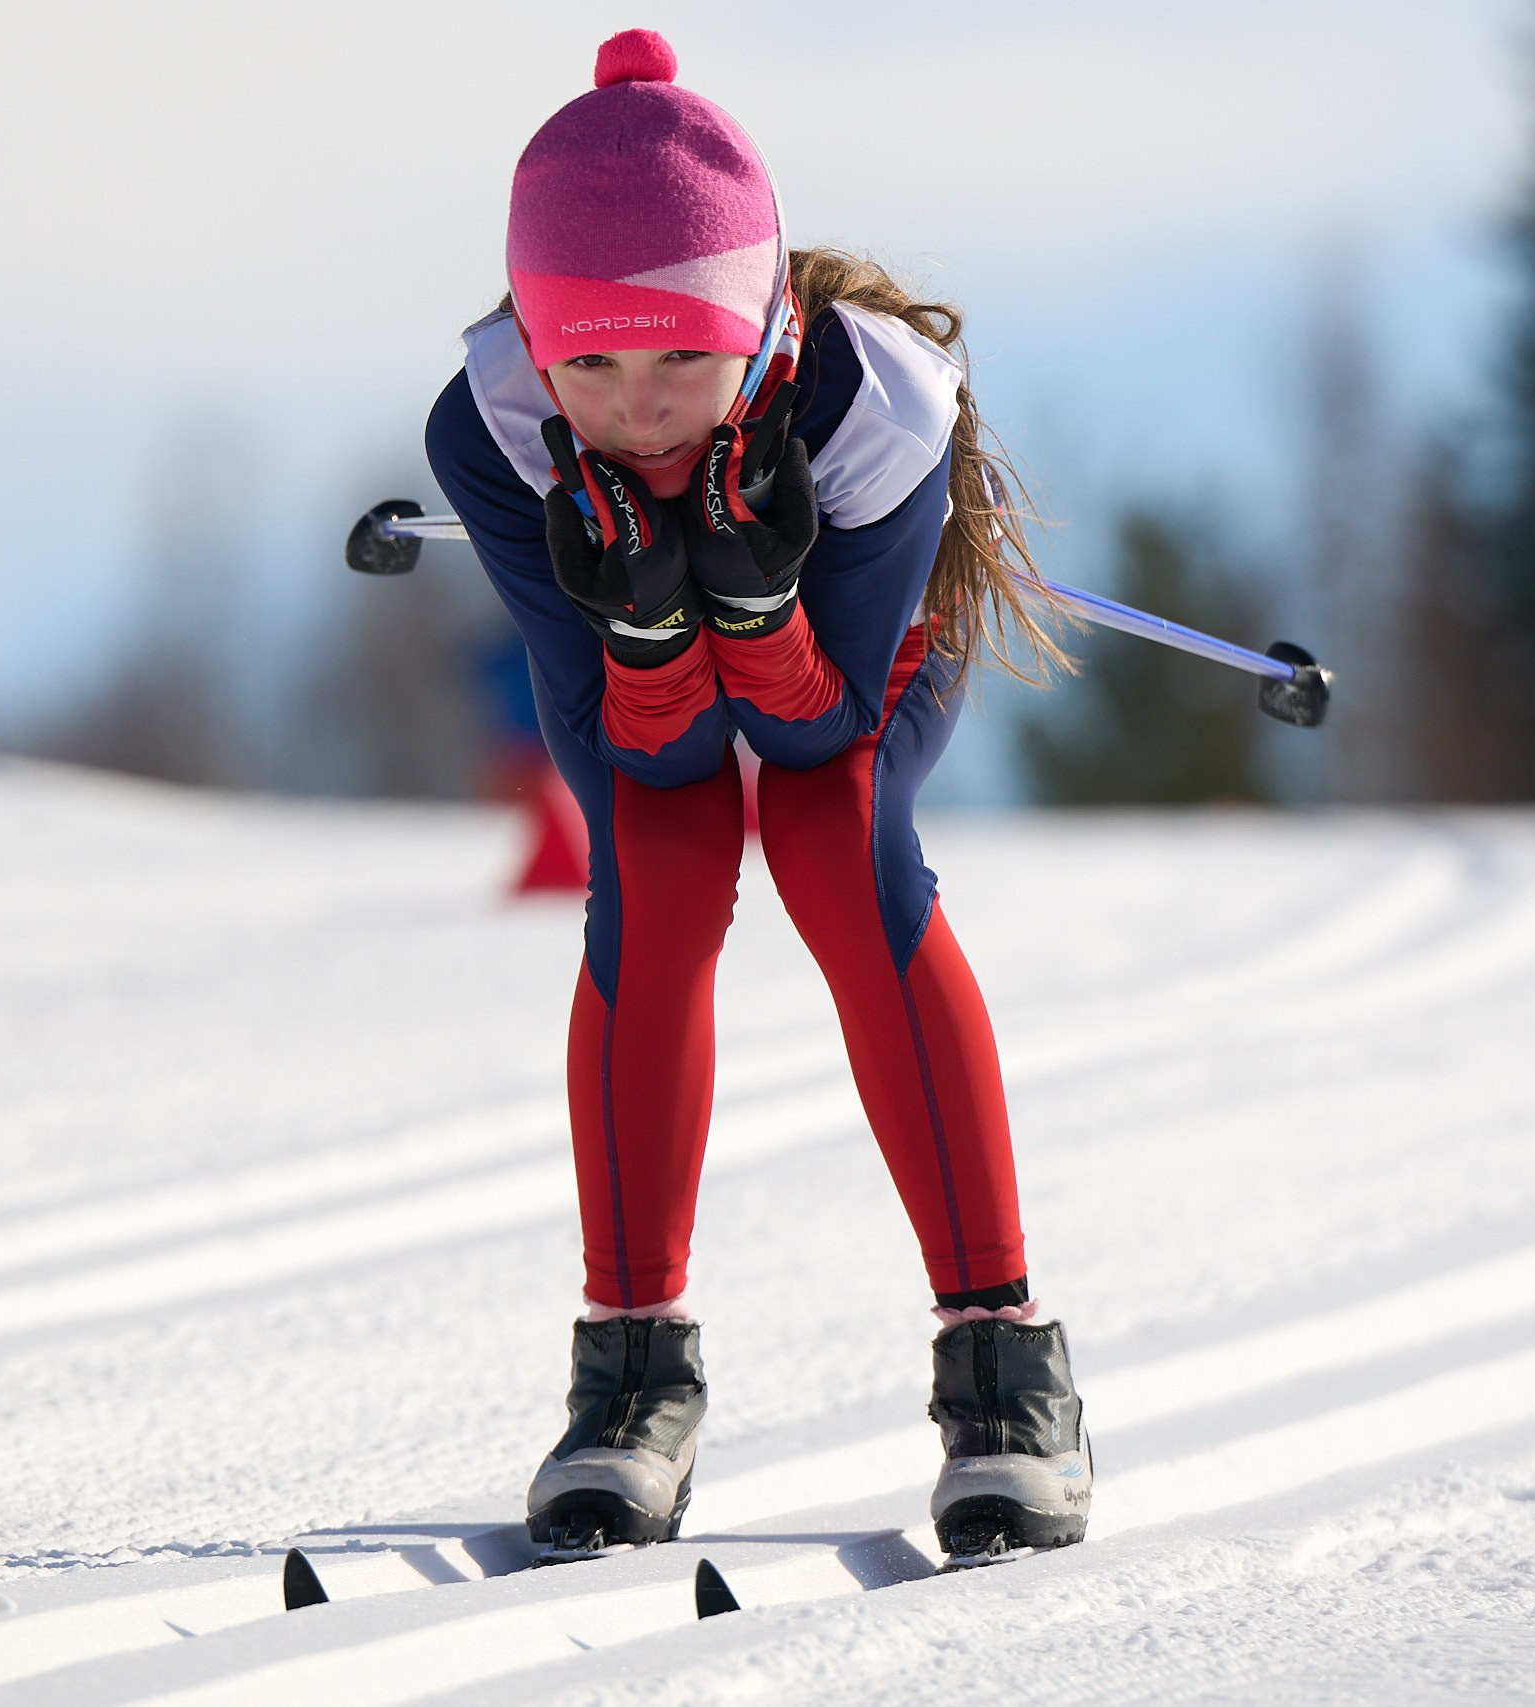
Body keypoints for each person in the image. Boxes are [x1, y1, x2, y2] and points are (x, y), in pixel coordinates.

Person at [423, 28, 1090, 1565]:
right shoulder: (498, 431)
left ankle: (1005, 1368)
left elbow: (822, 728)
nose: (637, 408)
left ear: (759, 319)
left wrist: (755, 596)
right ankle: (629, 1377)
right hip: (655, 690)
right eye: (588, 357)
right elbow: (633, 751)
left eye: (679, 357)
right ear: (535, 336)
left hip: (861, 656)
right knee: (654, 874)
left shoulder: (875, 412)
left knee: (833, 844)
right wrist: (655, 621)